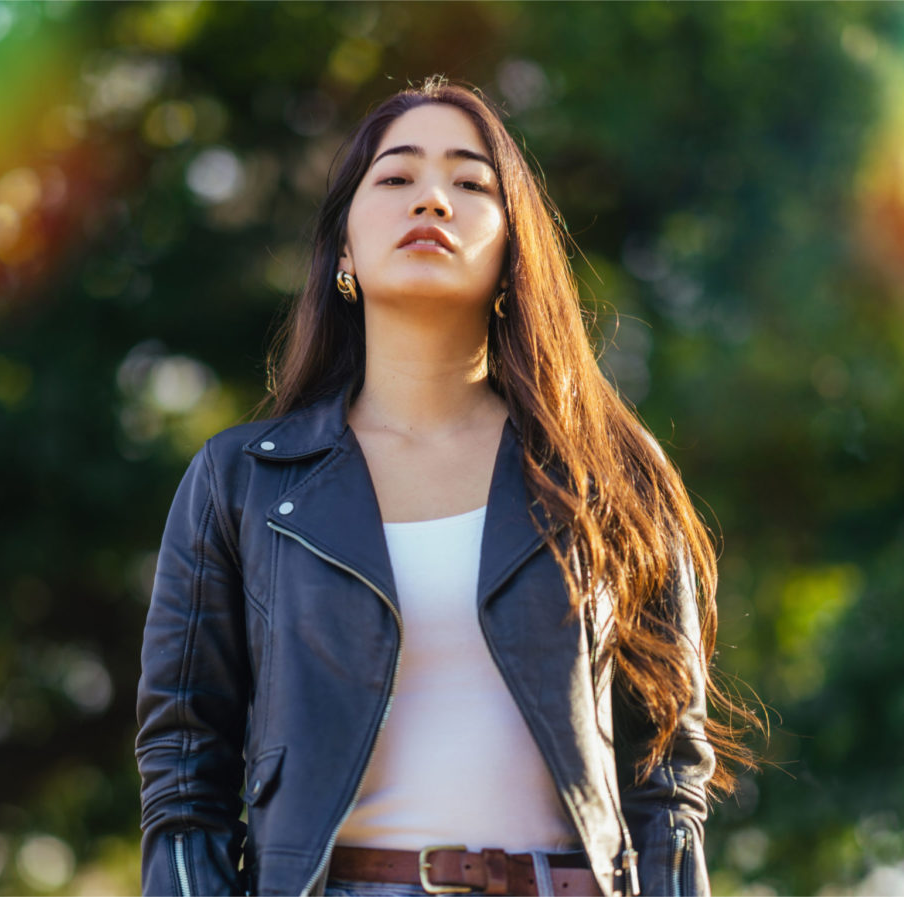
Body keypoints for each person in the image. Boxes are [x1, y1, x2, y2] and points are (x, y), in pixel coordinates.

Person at [136, 74, 757, 897]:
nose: (431, 198)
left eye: (470, 182)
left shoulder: (609, 472)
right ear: (344, 250)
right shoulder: (242, 482)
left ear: (511, 249)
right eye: (396, 178)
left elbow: (666, 777)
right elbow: (185, 770)